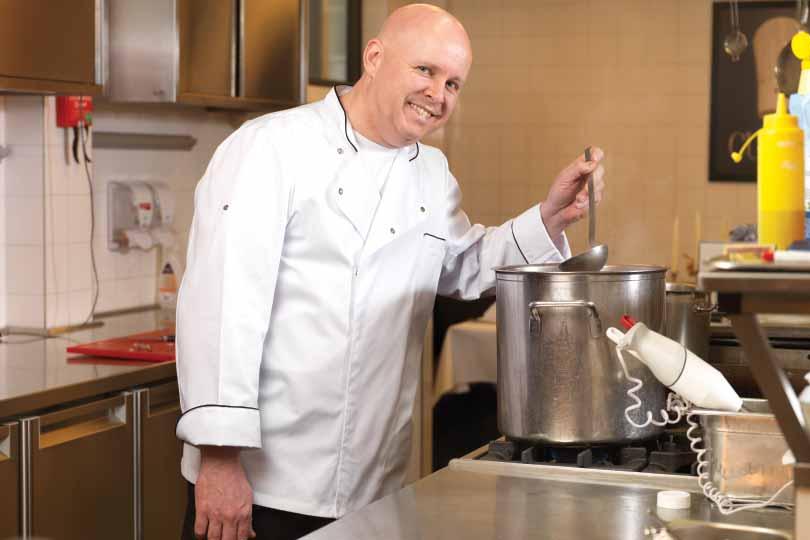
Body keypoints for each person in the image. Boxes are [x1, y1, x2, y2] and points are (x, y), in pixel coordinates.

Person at [175, 4, 606, 540]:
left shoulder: (430, 171)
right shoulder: (270, 147)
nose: (439, 94)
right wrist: (218, 460)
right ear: (374, 57)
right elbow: (221, 308)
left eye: (453, 83)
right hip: (263, 482)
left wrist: (549, 217)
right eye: (425, 70)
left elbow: (463, 266)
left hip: (372, 482)